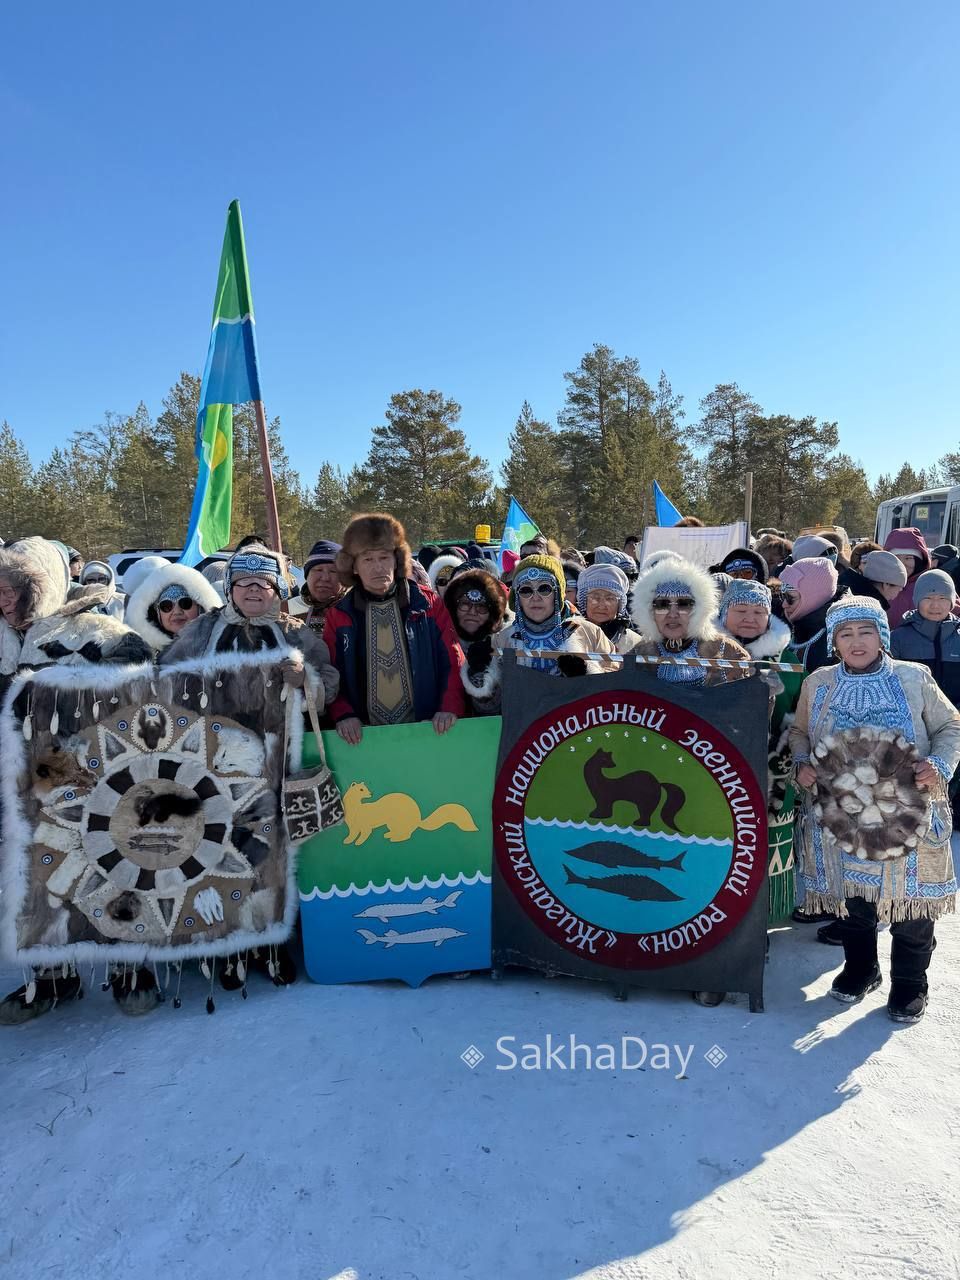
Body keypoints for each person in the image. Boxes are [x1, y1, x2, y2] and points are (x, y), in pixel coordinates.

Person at [791, 596, 960, 1023]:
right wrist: (801, 764)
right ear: (834, 641)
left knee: (912, 904)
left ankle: (910, 984)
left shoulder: (913, 677)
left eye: (866, 631)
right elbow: (799, 732)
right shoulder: (819, 682)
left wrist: (938, 765)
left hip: (911, 811)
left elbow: (950, 725)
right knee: (853, 899)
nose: (856, 641)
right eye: (845, 634)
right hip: (841, 811)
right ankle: (861, 968)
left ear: (882, 635)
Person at [630, 557, 752, 1008]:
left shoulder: (726, 653)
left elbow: (747, 719)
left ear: (700, 607)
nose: (673, 612)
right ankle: (651, 958)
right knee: (650, 868)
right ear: (649, 610)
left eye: (685, 602)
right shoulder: (639, 655)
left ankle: (707, 966)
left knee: (705, 875)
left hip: (711, 786)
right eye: (662, 603)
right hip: (652, 786)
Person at [324, 514, 465, 744]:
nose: (378, 567)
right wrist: (343, 714)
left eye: (384, 557)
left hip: (427, 730)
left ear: (397, 560)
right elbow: (331, 672)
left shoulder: (427, 605)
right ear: (355, 567)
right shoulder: (339, 615)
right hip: (364, 737)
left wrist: (449, 707)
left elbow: (452, 659)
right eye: (368, 559)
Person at [891, 569, 960, 829]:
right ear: (917, 600)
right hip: (915, 724)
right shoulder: (899, 638)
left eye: (943, 598)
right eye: (929, 598)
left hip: (954, 723)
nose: (935, 605)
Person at [493, 554, 616, 677]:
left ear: (558, 594)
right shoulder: (503, 639)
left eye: (544, 589)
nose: (535, 598)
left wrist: (588, 671)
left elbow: (615, 681)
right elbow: (493, 692)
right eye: (526, 590)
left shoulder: (589, 633)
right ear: (517, 598)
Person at [443, 563, 508, 714]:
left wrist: (482, 676)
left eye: (481, 607)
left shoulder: (506, 643)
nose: (472, 612)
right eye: (464, 604)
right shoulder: (438, 641)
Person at [125, 562, 223, 656]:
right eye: (167, 606)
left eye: (185, 603)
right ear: (158, 613)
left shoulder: (219, 648)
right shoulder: (140, 655)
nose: (177, 612)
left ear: (200, 607)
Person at [777, 558, 841, 673]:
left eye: (790, 598)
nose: (784, 604)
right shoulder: (792, 627)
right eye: (782, 596)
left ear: (814, 599)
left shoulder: (836, 640)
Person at [577, 562, 641, 654]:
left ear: (620, 604)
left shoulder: (635, 644)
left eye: (610, 599)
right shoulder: (568, 636)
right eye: (595, 598)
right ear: (584, 601)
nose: (602, 605)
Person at [883, 527, 932, 628]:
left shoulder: (931, 583)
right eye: (896, 558)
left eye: (908, 558)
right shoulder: (879, 585)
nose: (902, 564)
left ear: (919, 561)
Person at [297, 540, 345, 632]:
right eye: (318, 570)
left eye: (333, 571)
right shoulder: (286, 609)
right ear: (307, 576)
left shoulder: (355, 610)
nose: (325, 578)